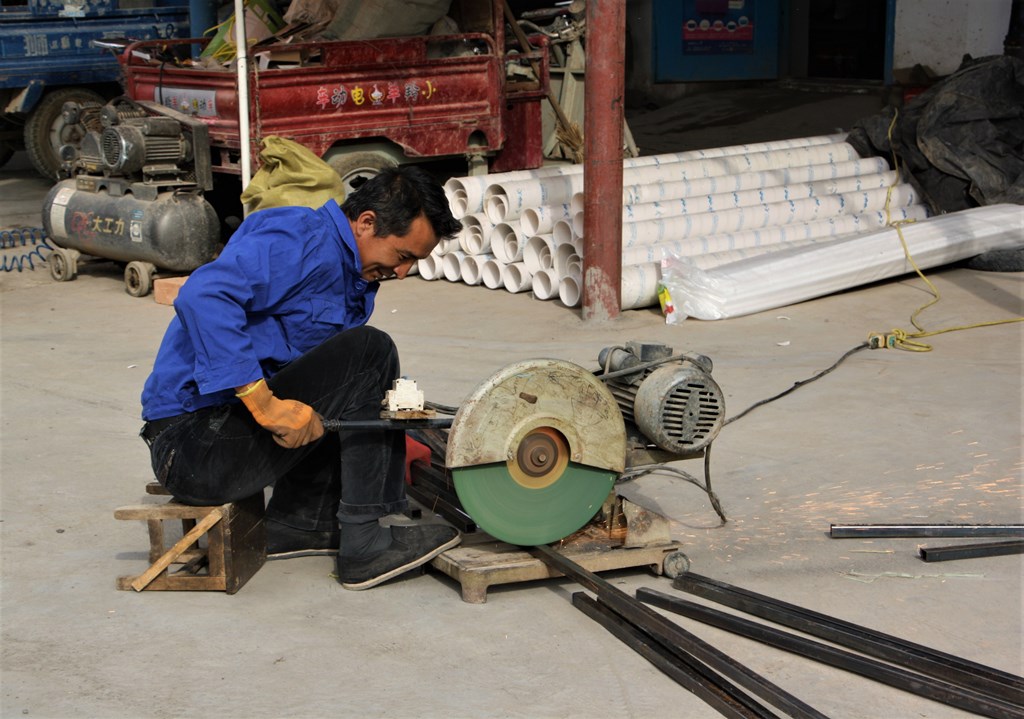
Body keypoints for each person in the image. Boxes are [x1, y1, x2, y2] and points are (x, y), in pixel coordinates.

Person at [139, 165, 464, 590]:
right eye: (403, 257)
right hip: (192, 449)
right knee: (371, 352)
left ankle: (300, 523)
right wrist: (263, 402)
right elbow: (204, 295)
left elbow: (326, 385)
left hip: (221, 441)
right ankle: (365, 545)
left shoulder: (350, 273)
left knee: (356, 375)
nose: (402, 273)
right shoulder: (299, 239)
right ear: (366, 223)